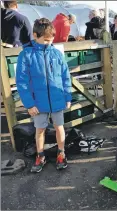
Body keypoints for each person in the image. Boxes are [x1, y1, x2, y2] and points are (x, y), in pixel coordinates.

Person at [16, 18, 72, 173]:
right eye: (46, 39)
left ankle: (61, 153)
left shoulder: (57, 54)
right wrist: (29, 104)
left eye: (52, 39)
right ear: (35, 35)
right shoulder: (26, 55)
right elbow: (22, 82)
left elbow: (66, 76)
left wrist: (67, 96)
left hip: (57, 100)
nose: (50, 42)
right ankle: (40, 155)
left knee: (59, 127)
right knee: (39, 129)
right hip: (38, 104)